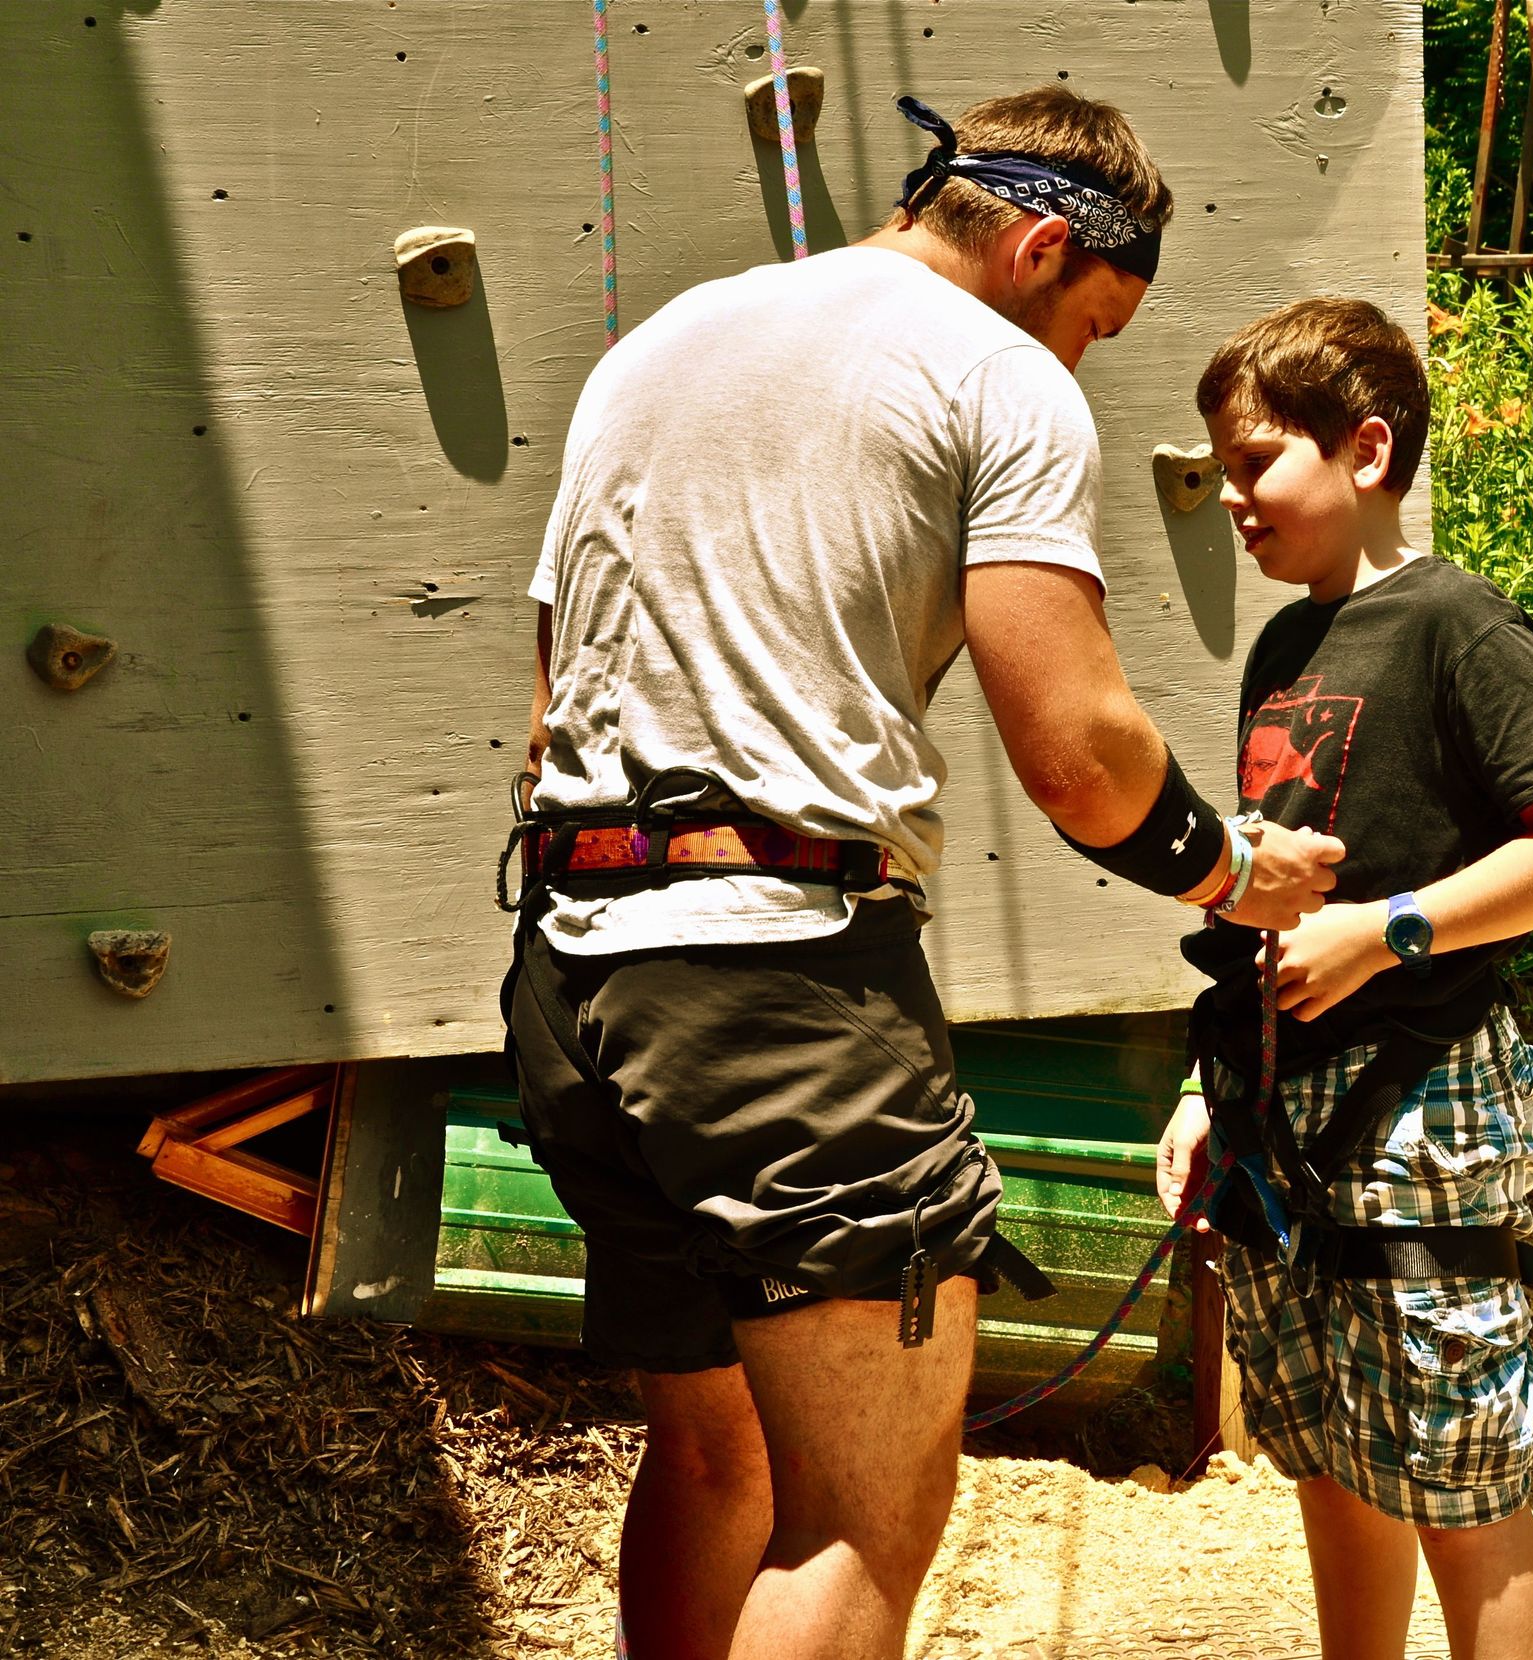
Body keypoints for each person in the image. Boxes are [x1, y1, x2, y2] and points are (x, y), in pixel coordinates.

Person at [502, 88, 1343, 1660]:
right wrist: (1231, 872)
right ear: (1037, 244)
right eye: (1093, 321)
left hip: (574, 967)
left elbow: (551, 694)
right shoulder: (995, 375)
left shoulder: (662, 345)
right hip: (782, 979)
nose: (1081, 361)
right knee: (862, 1515)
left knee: (713, 1454)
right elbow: (1078, 751)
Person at [1155, 299, 1533, 1660]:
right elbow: (1275, 896)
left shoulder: (1456, 624)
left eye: (1254, 463)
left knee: (1458, 1486)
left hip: (1423, 1104)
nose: (1230, 497)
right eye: (1221, 468)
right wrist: (1212, 1083)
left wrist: (1391, 932)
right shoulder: (1280, 649)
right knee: (1329, 1456)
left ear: (1367, 451)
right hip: (1282, 1106)